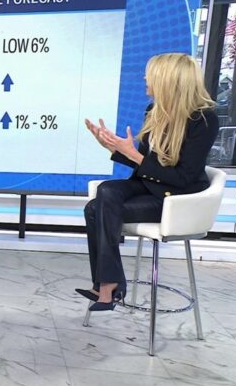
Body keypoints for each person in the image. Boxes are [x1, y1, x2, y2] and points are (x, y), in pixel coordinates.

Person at [78, 53, 219, 311]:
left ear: (169, 80)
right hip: (149, 187)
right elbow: (145, 163)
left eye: (150, 74)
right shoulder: (154, 111)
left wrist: (133, 154)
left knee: (95, 209)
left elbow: (183, 177)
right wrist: (112, 147)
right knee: (105, 191)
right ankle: (109, 284)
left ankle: (107, 286)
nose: (145, 78)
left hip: (177, 200)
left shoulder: (203, 120)